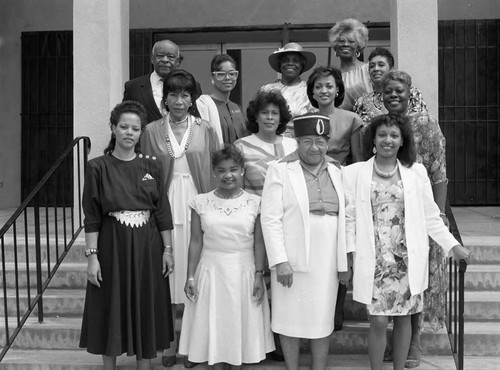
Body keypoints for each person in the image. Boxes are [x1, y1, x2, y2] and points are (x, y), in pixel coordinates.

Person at [343, 113, 471, 370]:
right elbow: (349, 219)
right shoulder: (353, 173)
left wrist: (452, 245)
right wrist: (348, 254)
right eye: (382, 135)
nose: (387, 140)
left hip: (406, 257)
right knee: (378, 320)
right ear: (373, 139)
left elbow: (430, 216)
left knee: (404, 318)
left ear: (402, 141)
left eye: (393, 135)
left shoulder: (416, 172)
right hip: (375, 257)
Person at [79, 101, 175, 370]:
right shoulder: (97, 167)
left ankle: (144, 366)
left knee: (147, 302)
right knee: (110, 302)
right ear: (113, 128)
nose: (129, 133)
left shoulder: (152, 166)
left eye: (135, 128)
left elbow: (162, 210)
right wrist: (92, 256)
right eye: (123, 127)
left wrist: (168, 250)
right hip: (112, 244)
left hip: (148, 244)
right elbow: (92, 215)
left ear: (141, 132)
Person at [140, 69, 221, 367]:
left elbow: (215, 169)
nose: (179, 100)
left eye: (185, 94)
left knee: (195, 271)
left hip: (197, 202)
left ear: (192, 99)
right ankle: (170, 346)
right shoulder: (150, 130)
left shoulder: (205, 129)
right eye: (173, 94)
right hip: (164, 203)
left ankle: (192, 346)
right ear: (165, 98)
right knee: (168, 275)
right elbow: (145, 174)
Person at [261, 113, 350, 370]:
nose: (315, 148)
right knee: (289, 315)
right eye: (308, 141)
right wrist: (280, 261)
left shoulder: (337, 170)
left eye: (321, 141)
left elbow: (348, 217)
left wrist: (345, 259)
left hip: (328, 255)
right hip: (293, 253)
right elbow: (270, 219)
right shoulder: (280, 169)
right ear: (296, 141)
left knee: (322, 317)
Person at [381, 70, 454, 368]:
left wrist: (437, 214)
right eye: (389, 91)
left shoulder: (425, 123)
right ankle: (393, 342)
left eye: (399, 90)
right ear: (381, 94)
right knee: (392, 281)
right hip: (389, 217)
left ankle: (414, 343)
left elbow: (439, 171)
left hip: (420, 215)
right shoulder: (381, 124)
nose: (394, 95)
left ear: (410, 92)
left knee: (417, 282)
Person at [178, 145, 275, 368]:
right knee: (213, 326)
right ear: (214, 172)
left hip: (244, 272)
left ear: (242, 170)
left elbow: (259, 243)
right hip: (211, 272)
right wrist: (190, 276)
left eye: (233, 169)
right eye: (221, 170)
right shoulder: (200, 202)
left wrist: (259, 275)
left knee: (239, 328)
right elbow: (195, 242)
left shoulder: (255, 203)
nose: (227, 175)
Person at [234, 90, 297, 195]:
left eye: (275, 113)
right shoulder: (241, 147)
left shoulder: (293, 145)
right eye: (264, 112)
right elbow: (236, 191)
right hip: (256, 210)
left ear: (281, 118)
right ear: (256, 117)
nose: (270, 117)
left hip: (290, 210)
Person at [353, 47, 428, 127]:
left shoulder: (412, 94)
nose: (376, 69)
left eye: (381, 65)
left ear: (391, 70)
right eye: (371, 66)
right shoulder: (361, 102)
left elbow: (422, 123)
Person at [306, 65, 363, 165]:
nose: (324, 91)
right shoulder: (306, 120)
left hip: (342, 175)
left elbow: (357, 159)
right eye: (318, 87)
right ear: (313, 92)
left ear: (337, 90)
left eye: (329, 86)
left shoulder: (352, 119)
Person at [260, 42, 317, 136]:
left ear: (302, 65)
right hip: (270, 142)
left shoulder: (309, 90)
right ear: (280, 64)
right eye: (286, 60)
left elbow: (312, 124)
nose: (290, 63)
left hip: (299, 143)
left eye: (295, 60)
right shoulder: (267, 89)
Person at [123, 40, 182, 123]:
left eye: (170, 57)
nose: (165, 60)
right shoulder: (133, 87)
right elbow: (123, 118)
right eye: (160, 56)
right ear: (152, 59)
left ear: (178, 62)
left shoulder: (191, 86)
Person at [196, 54, 248, 146]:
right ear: (212, 77)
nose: (227, 78)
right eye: (221, 74)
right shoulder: (203, 105)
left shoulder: (237, 108)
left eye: (232, 74)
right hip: (215, 159)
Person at [328, 18, 372, 111]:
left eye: (351, 41)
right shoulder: (332, 76)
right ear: (336, 46)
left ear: (358, 46)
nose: (345, 44)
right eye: (341, 41)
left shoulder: (368, 70)